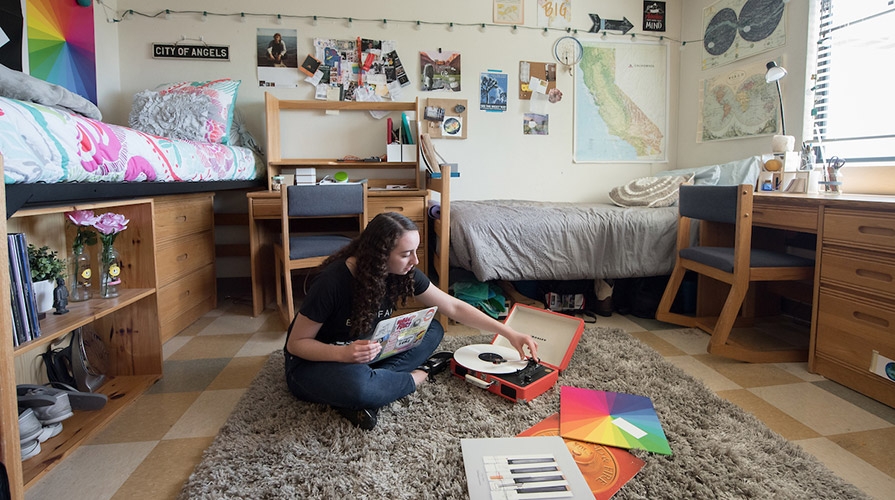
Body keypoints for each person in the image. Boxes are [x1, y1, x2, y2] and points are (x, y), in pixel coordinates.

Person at [284, 212, 539, 430]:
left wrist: (508, 332)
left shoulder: (401, 272)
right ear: (379, 255)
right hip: (314, 362)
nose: (415, 261)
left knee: (432, 329)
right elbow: (296, 344)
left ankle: (376, 384)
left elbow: (453, 306)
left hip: (362, 352)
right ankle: (415, 376)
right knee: (360, 386)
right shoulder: (333, 282)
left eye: (415, 251)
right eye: (406, 254)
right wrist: (343, 355)